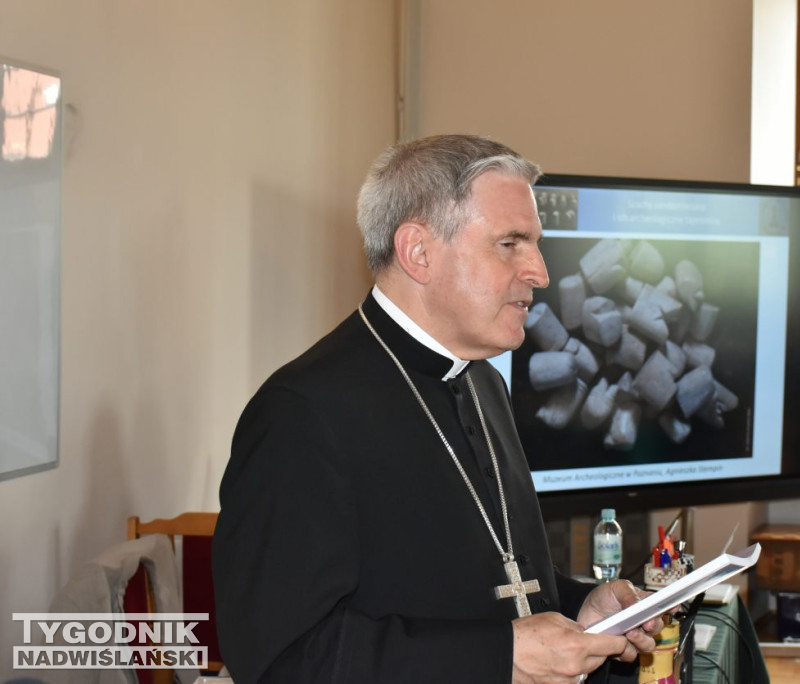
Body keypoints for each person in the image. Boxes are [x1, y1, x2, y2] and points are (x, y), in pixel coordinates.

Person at [212, 134, 664, 683]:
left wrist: (581, 611)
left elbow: (492, 590)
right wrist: (500, 658)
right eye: (510, 244)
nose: (540, 272)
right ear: (418, 252)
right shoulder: (301, 415)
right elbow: (282, 659)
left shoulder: (484, 383)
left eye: (535, 244)